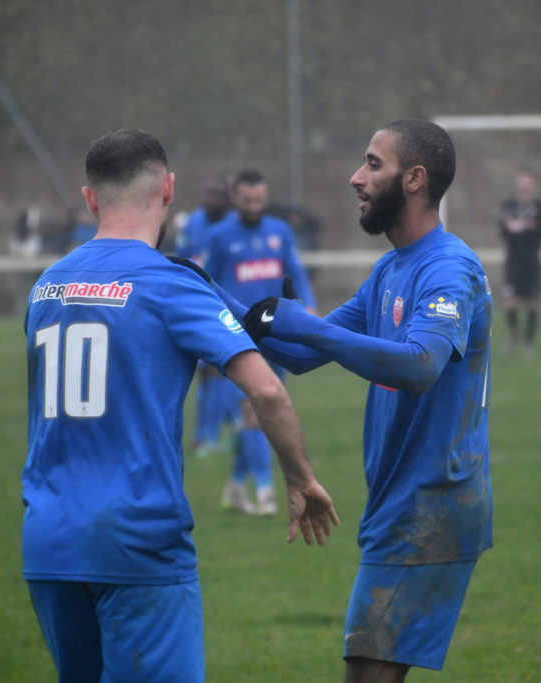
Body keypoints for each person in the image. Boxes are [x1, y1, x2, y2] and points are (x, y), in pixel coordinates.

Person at [21, 129, 338, 683]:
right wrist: (300, 478)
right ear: (168, 189)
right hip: (136, 538)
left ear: (90, 199)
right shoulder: (170, 282)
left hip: (48, 541)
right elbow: (266, 389)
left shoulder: (46, 286)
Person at [217, 119, 492, 681]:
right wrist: (202, 291)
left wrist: (307, 326)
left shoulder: (448, 267)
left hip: (431, 503)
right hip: (398, 503)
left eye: (372, 164)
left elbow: (420, 364)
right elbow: (302, 353)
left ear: (414, 179)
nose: (355, 178)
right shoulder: (390, 268)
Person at [202, 169, 317, 516]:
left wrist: (308, 306)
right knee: (252, 413)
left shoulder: (279, 232)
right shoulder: (219, 237)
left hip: (276, 336)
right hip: (238, 339)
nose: (253, 206)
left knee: (265, 415)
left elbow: (295, 272)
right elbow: (208, 284)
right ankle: (266, 492)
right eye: (247, 200)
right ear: (234, 198)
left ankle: (236, 486)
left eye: (258, 200)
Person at [172, 175, 237, 460]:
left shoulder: (234, 226)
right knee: (204, 375)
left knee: (215, 371)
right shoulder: (193, 224)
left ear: (227, 199)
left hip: (225, 307)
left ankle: (208, 436)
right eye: (207, 194)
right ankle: (223, 428)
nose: (209, 200)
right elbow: (181, 259)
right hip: (194, 303)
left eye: (216, 195)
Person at [497, 168, 541, 358]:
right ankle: (514, 334)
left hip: (532, 262)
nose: (525, 188)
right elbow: (503, 230)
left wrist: (522, 227)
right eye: (522, 184)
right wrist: (520, 228)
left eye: (528, 184)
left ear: (533, 186)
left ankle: (529, 344)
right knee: (509, 303)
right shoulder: (509, 206)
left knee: (533, 304)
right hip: (513, 262)